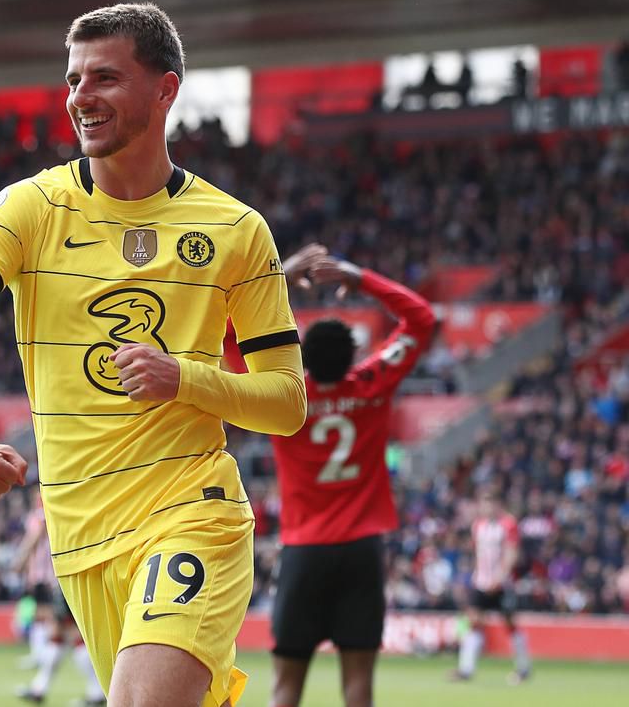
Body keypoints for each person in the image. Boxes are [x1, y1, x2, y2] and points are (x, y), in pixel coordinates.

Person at [0, 2, 307, 707]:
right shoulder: (29, 209)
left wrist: (184, 377)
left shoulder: (236, 230)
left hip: (193, 512)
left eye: (105, 78)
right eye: (73, 80)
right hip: (80, 538)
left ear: (165, 89)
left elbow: (287, 401)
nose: (81, 97)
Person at [225, 246, 436, 707]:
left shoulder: (284, 399)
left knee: (285, 689)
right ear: (354, 356)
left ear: (304, 359)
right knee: (358, 687)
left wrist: (277, 278)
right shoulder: (373, 382)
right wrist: (358, 277)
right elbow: (421, 318)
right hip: (362, 549)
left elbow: (225, 336)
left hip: (304, 551)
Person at [14, 499, 106, 706]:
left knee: (71, 633)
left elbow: (37, 533)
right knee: (57, 634)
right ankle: (40, 688)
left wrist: (20, 560)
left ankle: (97, 691)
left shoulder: (48, 506)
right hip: (59, 579)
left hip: (58, 579)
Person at [451, 488, 532, 685]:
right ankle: (466, 669)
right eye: (483, 503)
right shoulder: (478, 525)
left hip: (502, 584)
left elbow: (512, 553)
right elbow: (477, 553)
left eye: (490, 503)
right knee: (473, 621)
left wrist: (500, 578)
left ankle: (523, 668)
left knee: (510, 624)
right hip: (481, 582)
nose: (486, 507)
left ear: (498, 504)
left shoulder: (508, 524)